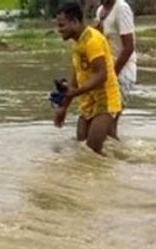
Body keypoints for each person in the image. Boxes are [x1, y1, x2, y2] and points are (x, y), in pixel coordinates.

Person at [54, 1, 122, 155]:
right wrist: (63, 107)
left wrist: (75, 93)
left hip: (105, 101)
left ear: (75, 22)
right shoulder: (77, 45)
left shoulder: (92, 41)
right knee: (83, 148)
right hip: (88, 104)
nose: (59, 30)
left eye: (62, 25)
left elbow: (102, 75)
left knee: (92, 151)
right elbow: (75, 80)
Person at [95, 0, 137, 138]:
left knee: (109, 119)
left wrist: (112, 73)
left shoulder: (121, 8)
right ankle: (114, 154)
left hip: (123, 69)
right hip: (106, 69)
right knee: (105, 120)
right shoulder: (100, 11)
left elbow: (129, 47)